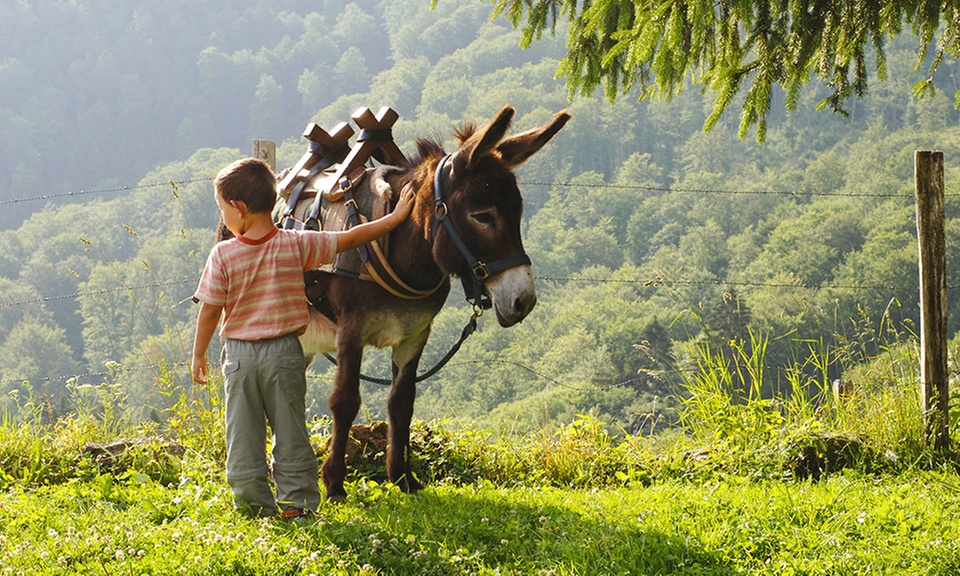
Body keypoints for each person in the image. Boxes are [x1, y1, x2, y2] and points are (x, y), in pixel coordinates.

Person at [191, 157, 414, 520]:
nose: (223, 219)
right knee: (290, 429)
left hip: (240, 357)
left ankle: (252, 504)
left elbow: (211, 309)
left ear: (238, 208)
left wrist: (199, 354)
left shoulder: (223, 254)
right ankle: (298, 503)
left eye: (222, 210)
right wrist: (395, 218)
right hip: (284, 354)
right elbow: (351, 238)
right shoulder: (296, 245)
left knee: (242, 433)